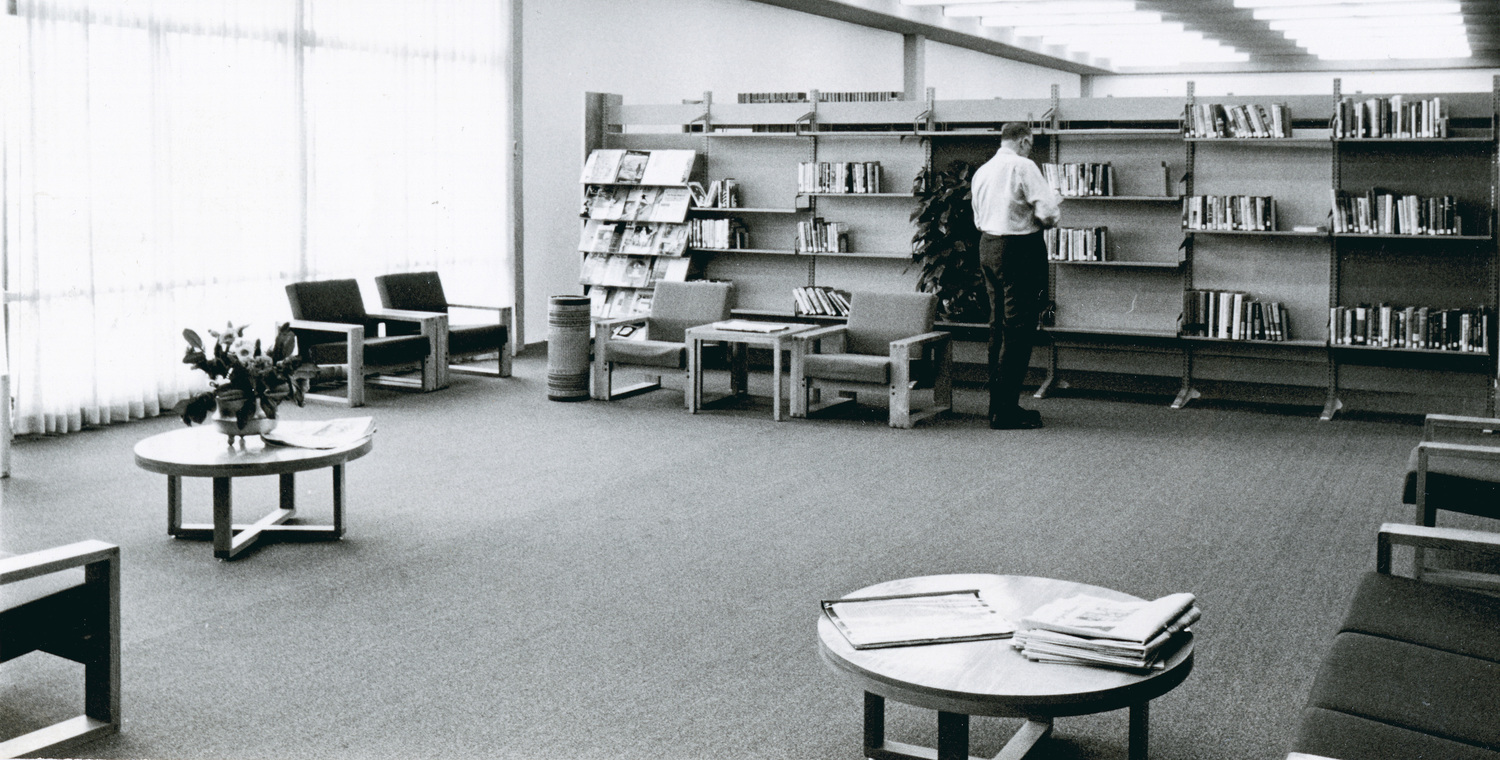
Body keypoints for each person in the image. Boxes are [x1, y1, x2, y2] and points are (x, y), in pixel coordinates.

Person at [970, 122, 1061, 430]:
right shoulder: (1023, 166)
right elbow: (1047, 214)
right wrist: (1054, 204)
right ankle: (1006, 411)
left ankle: (997, 406)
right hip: (1019, 249)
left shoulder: (982, 171)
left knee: (997, 326)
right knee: (1018, 329)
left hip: (989, 247)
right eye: (1030, 144)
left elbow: (978, 216)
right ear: (1024, 141)